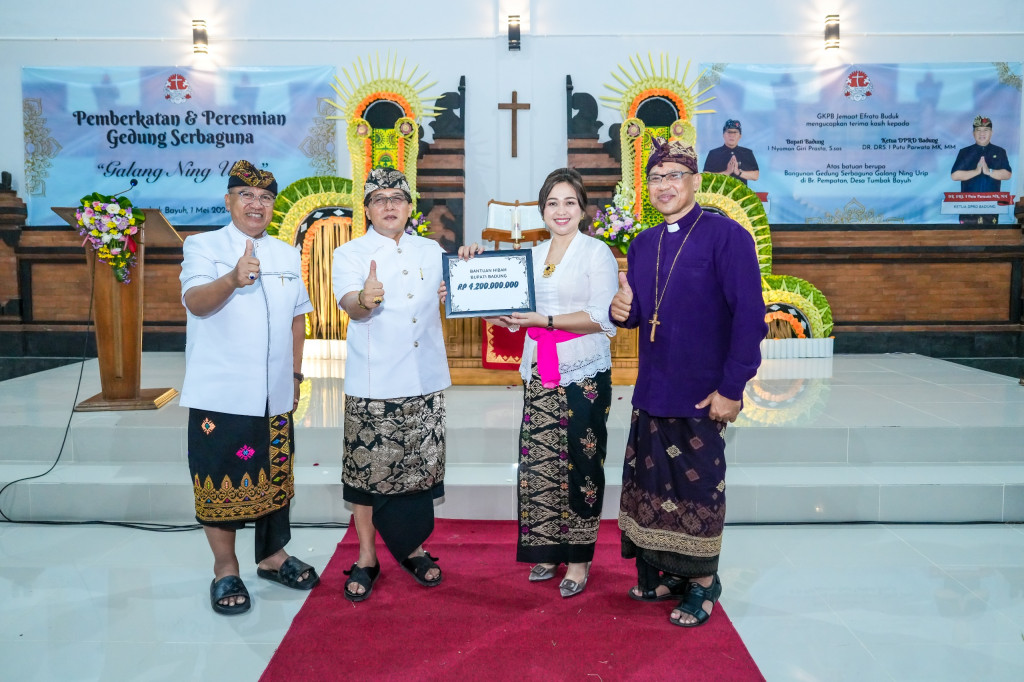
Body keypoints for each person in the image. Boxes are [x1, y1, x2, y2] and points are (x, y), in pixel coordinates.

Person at [610, 138, 766, 627]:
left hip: (703, 393)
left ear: (695, 182)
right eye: (656, 178)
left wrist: (733, 388)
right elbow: (641, 313)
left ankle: (702, 583)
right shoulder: (642, 244)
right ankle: (665, 571)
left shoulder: (727, 237)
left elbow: (750, 319)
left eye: (675, 176)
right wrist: (623, 311)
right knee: (654, 488)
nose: (665, 186)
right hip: (654, 390)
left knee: (698, 492)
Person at [460, 168, 619, 598]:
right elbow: (509, 316)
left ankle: (580, 559)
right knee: (540, 462)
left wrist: (545, 320)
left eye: (569, 202)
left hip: (582, 371)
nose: (561, 210)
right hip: (539, 372)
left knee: (582, 463)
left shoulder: (595, 253)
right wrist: (467, 288)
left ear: (582, 208)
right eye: (552, 203)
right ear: (541, 210)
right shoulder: (529, 255)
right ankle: (547, 550)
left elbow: (600, 318)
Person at [179, 160, 319, 616]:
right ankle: (225, 568)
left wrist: (295, 375)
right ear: (228, 201)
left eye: (264, 198)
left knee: (276, 477)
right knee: (220, 480)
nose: (256, 204)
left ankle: (273, 556)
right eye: (246, 196)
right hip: (221, 394)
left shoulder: (284, 252)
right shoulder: (203, 246)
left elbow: (298, 316)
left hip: (274, 393)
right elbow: (196, 303)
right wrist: (231, 278)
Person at [331, 167, 450, 602]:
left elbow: (454, 295)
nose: (388, 205)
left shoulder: (432, 250)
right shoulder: (349, 253)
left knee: (418, 467)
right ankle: (367, 556)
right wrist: (364, 299)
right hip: (374, 379)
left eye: (396, 198)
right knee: (367, 471)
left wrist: (465, 280)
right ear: (366, 209)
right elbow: (351, 305)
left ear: (409, 206)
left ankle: (413, 548)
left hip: (424, 377)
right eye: (378, 199)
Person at [950, 115, 1013, 224]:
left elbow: (1007, 174)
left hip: (991, 207)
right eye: (978, 130)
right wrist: (976, 171)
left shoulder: (999, 151)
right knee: (967, 238)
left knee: (990, 238)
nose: (982, 133)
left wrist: (989, 172)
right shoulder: (965, 152)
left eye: (986, 130)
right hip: (968, 208)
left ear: (991, 132)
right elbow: (955, 175)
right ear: (973, 133)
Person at [702, 119, 759, 185]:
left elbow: (755, 176)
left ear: (740, 136)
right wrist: (726, 172)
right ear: (723, 135)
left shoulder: (747, 153)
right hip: (718, 194)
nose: (732, 135)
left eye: (735, 132)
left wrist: (738, 172)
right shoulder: (713, 153)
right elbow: (705, 176)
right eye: (729, 132)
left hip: (741, 194)